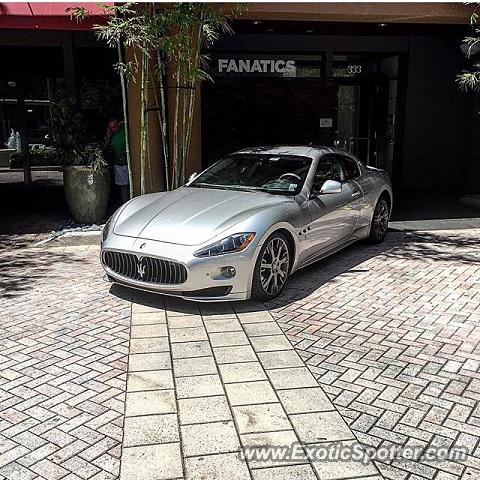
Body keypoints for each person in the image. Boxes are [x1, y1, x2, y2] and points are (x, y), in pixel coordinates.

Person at [104, 117, 129, 203]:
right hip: (119, 164)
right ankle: (125, 204)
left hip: (130, 162)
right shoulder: (111, 136)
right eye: (111, 128)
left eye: (115, 126)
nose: (113, 129)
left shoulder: (125, 130)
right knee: (123, 187)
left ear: (118, 124)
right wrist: (108, 136)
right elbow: (105, 148)